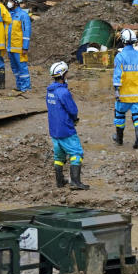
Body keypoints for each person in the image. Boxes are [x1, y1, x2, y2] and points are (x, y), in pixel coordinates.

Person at [46, 61, 89, 190]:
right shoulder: (63, 93)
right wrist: (75, 119)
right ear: (63, 74)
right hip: (66, 129)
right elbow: (73, 110)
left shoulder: (50, 91)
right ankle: (75, 182)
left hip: (54, 130)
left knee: (59, 156)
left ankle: (60, 181)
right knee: (76, 152)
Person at [112, 29, 138, 149]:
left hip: (124, 94)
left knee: (119, 116)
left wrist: (116, 90)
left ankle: (119, 139)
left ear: (123, 41)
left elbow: (117, 75)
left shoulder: (120, 57)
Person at [5, 0, 31, 92]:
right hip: (10, 47)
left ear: (16, 2)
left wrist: (25, 47)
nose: (9, 3)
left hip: (19, 48)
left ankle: (26, 87)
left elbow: (26, 32)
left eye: (11, 1)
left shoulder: (23, 15)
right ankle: (19, 85)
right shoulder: (10, 15)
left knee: (22, 67)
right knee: (14, 68)